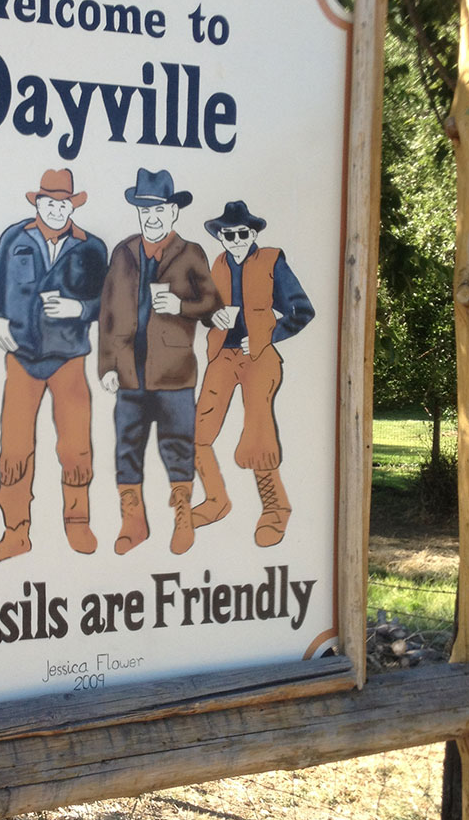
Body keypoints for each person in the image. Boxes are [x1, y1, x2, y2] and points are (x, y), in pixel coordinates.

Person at [0, 168, 108, 561]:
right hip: (21, 357)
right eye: (48, 202)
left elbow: (109, 302)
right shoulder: (14, 238)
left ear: (73, 205)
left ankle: (78, 522)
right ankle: (15, 530)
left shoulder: (92, 247)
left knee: (76, 445)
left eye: (63, 203)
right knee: (15, 447)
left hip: (69, 358)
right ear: (37, 203)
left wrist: (80, 309)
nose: (56, 209)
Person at [98, 168, 220, 555]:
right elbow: (107, 312)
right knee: (127, 448)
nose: (151, 218)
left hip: (174, 373)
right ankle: (133, 523)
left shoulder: (191, 253)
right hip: (128, 371)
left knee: (178, 447)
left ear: (173, 212)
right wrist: (106, 365)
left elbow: (212, 304)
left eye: (159, 211)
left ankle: (183, 519)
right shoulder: (123, 252)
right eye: (144, 211)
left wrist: (180, 306)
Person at [193, 199, 314, 547]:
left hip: (259, 357)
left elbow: (302, 310)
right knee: (198, 431)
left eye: (242, 233)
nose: (235, 240)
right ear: (220, 237)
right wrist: (211, 316)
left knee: (258, 430)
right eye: (228, 234)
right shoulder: (217, 264)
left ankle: (276, 510)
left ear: (253, 234)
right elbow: (207, 308)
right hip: (222, 356)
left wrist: (267, 335)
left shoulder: (272, 261)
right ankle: (216, 499)